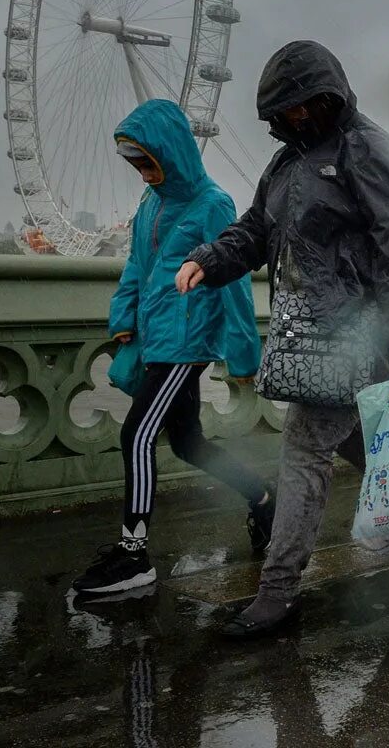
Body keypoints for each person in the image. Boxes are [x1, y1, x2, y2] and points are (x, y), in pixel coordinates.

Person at [176, 40, 389, 638]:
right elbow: (256, 231)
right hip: (306, 330)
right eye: (283, 111)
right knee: (347, 442)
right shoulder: (286, 164)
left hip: (357, 333)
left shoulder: (368, 151)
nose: (292, 119)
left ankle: (279, 590)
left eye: (300, 106)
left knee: (304, 449)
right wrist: (209, 261)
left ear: (326, 96)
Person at [72, 99, 268, 597]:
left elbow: (234, 281)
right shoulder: (151, 205)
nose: (142, 174)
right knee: (187, 443)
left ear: (171, 151)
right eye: (134, 164)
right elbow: (136, 266)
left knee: (136, 434)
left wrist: (244, 353)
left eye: (147, 162)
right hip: (156, 337)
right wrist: (123, 320)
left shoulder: (213, 203)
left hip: (188, 340)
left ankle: (133, 554)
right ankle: (264, 497)